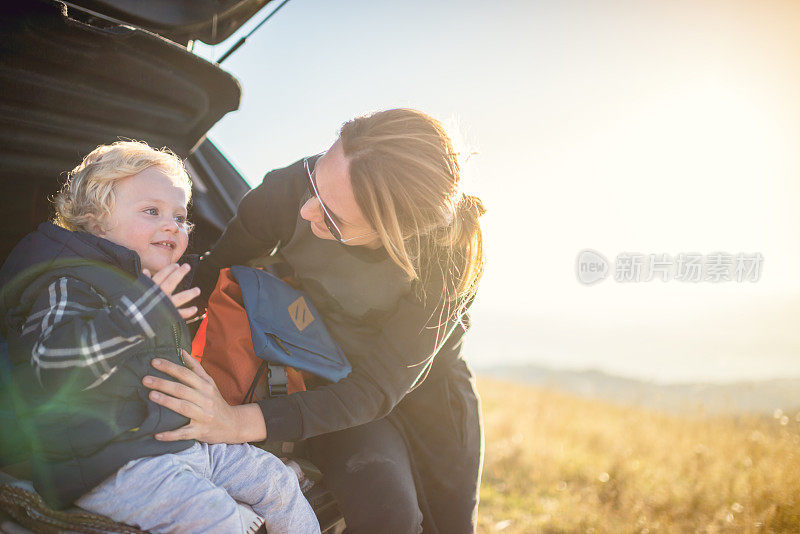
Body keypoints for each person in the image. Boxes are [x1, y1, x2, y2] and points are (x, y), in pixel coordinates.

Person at [144, 108, 487, 533]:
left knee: (449, 525)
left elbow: (375, 390)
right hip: (324, 375)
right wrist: (136, 292)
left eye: (333, 219)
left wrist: (236, 421)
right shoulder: (289, 190)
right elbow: (215, 272)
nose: (306, 210)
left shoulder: (447, 256)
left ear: (396, 236)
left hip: (425, 396)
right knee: (389, 519)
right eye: (316, 181)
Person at [0, 141, 319, 534]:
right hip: (108, 462)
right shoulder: (67, 280)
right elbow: (53, 365)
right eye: (152, 211)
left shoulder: (150, 288)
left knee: (279, 482)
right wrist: (140, 313)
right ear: (96, 219)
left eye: (180, 217)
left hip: (176, 442)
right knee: (215, 517)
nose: (172, 225)